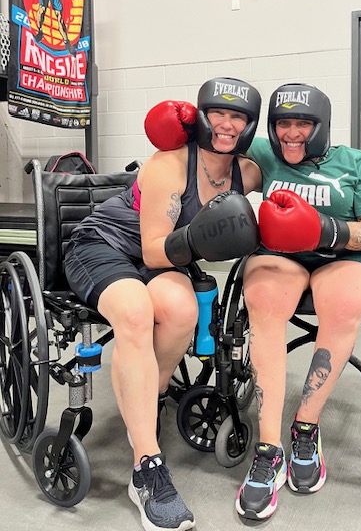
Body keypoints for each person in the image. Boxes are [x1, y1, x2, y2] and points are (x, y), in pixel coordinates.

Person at [63, 77, 262, 531]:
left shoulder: (247, 171)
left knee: (181, 312)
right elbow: (154, 251)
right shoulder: (169, 164)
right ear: (201, 117)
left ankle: (146, 399)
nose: (227, 125)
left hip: (166, 256)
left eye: (239, 117)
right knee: (135, 313)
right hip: (106, 245)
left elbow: (293, 158)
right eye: (219, 114)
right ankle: (146, 467)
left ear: (249, 125)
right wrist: (205, 236)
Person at [235, 83, 361, 521]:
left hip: (344, 255)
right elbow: (219, 166)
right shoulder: (264, 155)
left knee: (341, 311)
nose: (291, 133)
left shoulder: (355, 162)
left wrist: (332, 231)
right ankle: (268, 449)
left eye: (302, 123)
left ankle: (306, 426)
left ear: (320, 127)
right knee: (263, 309)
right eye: (284, 123)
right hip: (281, 256)